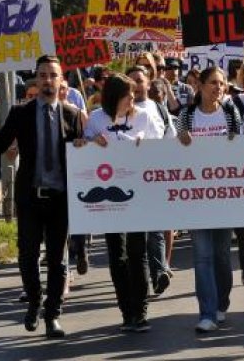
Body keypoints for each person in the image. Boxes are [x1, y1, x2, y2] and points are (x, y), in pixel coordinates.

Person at [0, 55, 83, 337]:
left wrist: (84, 144)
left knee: (57, 260)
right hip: (30, 198)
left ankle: (53, 315)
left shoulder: (72, 115)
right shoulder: (20, 113)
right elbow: (0, 146)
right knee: (27, 256)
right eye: (43, 75)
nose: (48, 80)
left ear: (62, 80)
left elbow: (83, 157)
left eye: (53, 75)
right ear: (36, 80)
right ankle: (34, 301)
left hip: (60, 199)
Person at [84, 73, 165, 332]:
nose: (134, 97)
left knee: (137, 251)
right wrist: (88, 142)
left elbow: (162, 143)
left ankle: (140, 310)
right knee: (116, 254)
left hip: (139, 192)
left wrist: (146, 145)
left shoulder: (144, 115)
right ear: (114, 97)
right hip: (108, 194)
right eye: (128, 94)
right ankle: (126, 310)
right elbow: (81, 149)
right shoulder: (96, 119)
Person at [176, 66, 244, 333]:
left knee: (221, 256)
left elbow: (243, 147)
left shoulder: (230, 113)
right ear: (200, 86)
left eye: (222, 83)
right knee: (202, 257)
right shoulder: (187, 115)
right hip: (197, 197)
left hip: (225, 196)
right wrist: (180, 139)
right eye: (213, 83)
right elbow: (174, 151)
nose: (218, 87)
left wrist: (240, 137)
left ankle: (220, 303)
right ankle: (206, 312)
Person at [126, 66, 177, 295]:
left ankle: (159, 272)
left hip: (155, 175)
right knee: (139, 232)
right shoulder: (121, 110)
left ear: (148, 83)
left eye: (140, 80)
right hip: (128, 177)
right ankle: (145, 274)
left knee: (157, 227)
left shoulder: (158, 108)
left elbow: (170, 138)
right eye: (132, 81)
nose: (136, 85)